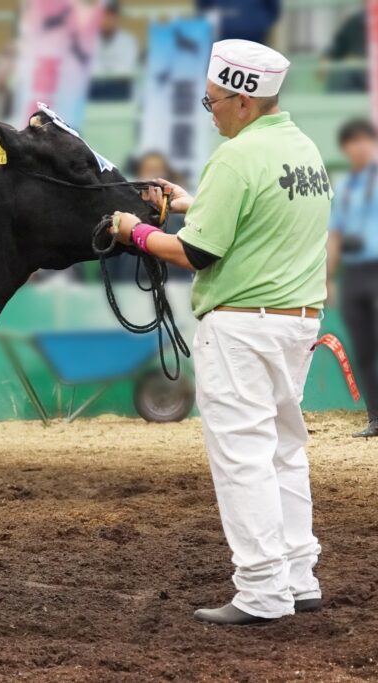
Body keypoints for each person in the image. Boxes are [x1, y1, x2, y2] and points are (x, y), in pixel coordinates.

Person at [112, 40, 330, 626]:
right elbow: (260, 217)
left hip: (242, 327)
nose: (209, 112)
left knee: (242, 458)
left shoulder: (235, 158)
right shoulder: (302, 150)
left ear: (242, 101)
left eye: (212, 102)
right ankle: (299, 576)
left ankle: (261, 591)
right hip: (297, 321)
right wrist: (193, 203)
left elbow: (196, 253)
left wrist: (134, 232)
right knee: (284, 451)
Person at [328, 119, 378, 438]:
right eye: (351, 142)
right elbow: (335, 234)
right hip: (354, 273)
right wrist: (328, 278)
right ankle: (376, 418)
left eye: (363, 140)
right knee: (363, 350)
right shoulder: (345, 186)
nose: (358, 147)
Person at [107, 151, 190, 283]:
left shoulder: (180, 219)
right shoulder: (125, 217)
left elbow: (187, 255)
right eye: (149, 170)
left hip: (174, 284)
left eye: (158, 170)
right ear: (139, 174)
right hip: (129, 283)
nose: (153, 175)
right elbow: (112, 262)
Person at [90, 1, 139, 101]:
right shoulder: (90, 40)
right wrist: (107, 70)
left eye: (110, 15)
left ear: (116, 17)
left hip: (119, 89)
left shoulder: (128, 40)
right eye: (103, 15)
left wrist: (105, 70)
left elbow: (125, 69)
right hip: (95, 88)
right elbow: (90, 68)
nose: (107, 19)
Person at [319, 10, 366, 93]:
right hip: (356, 78)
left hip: (365, 76)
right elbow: (338, 45)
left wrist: (360, 60)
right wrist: (326, 58)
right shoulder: (356, 21)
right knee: (343, 74)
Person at [195, 0, 280, 45]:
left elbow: (273, 9)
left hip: (254, 39)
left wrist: (260, 25)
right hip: (221, 40)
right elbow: (204, 7)